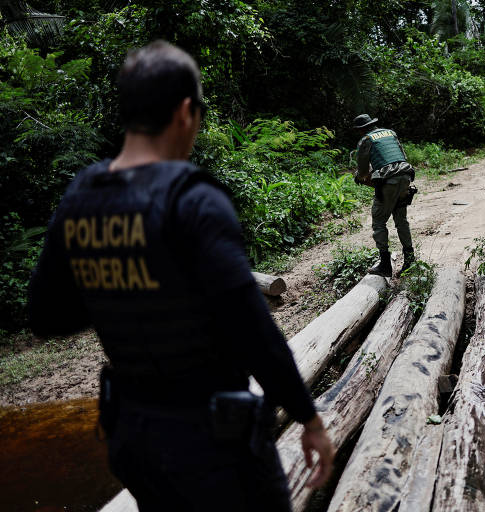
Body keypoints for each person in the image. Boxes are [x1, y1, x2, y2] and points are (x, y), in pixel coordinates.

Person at [27, 41, 334, 510]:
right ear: (186, 111)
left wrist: (121, 284)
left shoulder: (81, 198)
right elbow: (254, 330)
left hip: (133, 439)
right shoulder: (193, 200)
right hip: (213, 444)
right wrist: (309, 420)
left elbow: (46, 315)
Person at [353, 114, 416, 278]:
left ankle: (385, 265)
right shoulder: (390, 133)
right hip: (406, 176)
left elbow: (363, 171)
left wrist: (359, 176)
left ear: (360, 130)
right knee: (401, 219)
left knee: (379, 220)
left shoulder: (365, 140)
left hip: (389, 181)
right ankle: (410, 261)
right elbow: (401, 157)